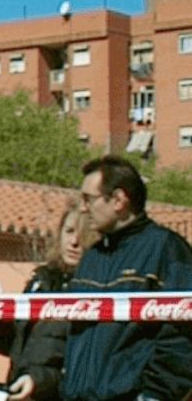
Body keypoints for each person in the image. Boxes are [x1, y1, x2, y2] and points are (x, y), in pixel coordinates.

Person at [61, 156, 192, 401]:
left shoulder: (166, 250)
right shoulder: (91, 259)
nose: (82, 208)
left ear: (119, 200)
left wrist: (154, 394)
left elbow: (183, 335)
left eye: (89, 199)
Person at [0, 200, 84, 401]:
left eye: (84, 235)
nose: (74, 241)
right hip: (20, 391)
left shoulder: (96, 292)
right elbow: (12, 345)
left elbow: (85, 366)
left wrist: (38, 381)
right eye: (69, 231)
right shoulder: (40, 282)